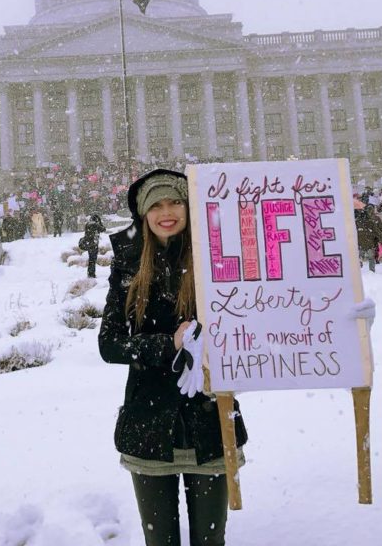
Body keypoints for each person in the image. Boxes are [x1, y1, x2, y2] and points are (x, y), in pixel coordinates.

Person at [99, 168, 246, 546]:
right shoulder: (129, 265)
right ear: (144, 213)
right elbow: (110, 344)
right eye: (157, 204)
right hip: (149, 423)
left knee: (209, 541)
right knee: (160, 541)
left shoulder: (219, 257)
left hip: (210, 417)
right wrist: (169, 346)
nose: (167, 212)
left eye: (176, 201)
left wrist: (347, 318)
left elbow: (265, 310)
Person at [82, 213, 106, 279]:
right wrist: (100, 223)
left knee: (91, 259)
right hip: (94, 244)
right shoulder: (95, 224)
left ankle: (90, 273)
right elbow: (103, 229)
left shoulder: (88, 224)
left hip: (88, 244)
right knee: (93, 259)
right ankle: (92, 274)